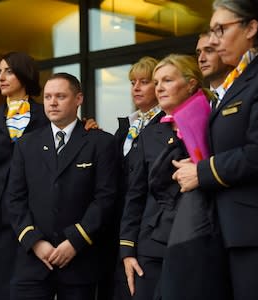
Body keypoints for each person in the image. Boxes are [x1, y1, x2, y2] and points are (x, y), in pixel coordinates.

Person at [172, 1, 258, 299]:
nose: (215, 39)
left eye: (221, 29)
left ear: (251, 27)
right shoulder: (236, 81)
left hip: (254, 232)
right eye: (212, 30)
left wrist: (201, 173)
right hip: (224, 229)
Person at [0, 52, 98, 300]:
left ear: (24, 74)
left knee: (29, 285)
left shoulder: (46, 114)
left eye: (8, 71)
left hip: (33, 213)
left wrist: (89, 126)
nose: (1, 77)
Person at [6, 73, 117, 300]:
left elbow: (106, 198)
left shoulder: (102, 143)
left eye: (60, 96)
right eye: (47, 97)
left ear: (78, 99)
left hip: (80, 260)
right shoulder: (26, 144)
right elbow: (14, 199)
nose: (52, 102)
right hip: (33, 262)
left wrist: (75, 241)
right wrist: (35, 242)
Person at [119, 54, 208, 300]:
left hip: (197, 238)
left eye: (167, 80)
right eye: (156, 82)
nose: (159, 88)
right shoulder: (150, 133)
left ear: (191, 84)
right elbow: (135, 194)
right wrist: (127, 249)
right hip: (152, 242)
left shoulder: (211, 122)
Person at [110, 56, 163, 300]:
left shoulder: (166, 123)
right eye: (133, 82)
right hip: (123, 224)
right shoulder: (127, 126)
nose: (136, 88)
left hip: (150, 226)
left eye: (144, 81)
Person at [196, 31, 233, 101]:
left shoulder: (245, 91)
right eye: (199, 53)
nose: (201, 59)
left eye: (209, 51)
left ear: (226, 54)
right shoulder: (199, 102)